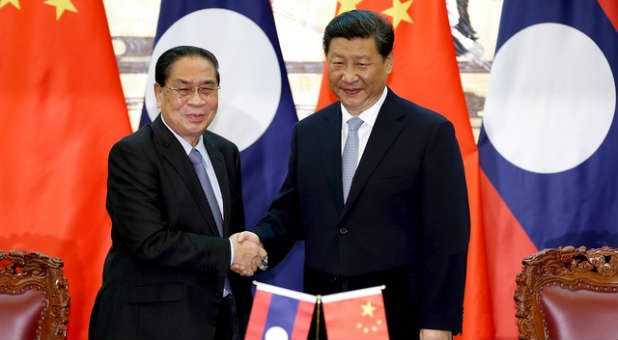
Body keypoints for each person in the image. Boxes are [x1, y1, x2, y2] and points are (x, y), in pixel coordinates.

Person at [233, 10, 469, 340]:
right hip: (321, 314)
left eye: (361, 64)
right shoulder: (309, 132)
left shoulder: (429, 133)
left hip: (397, 314)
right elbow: (291, 213)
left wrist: (437, 322)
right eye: (338, 62)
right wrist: (258, 241)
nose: (348, 76)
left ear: (388, 63)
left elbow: (448, 238)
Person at [89, 46, 266, 340]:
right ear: (159, 93)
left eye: (207, 89)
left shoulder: (225, 152)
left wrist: (249, 250)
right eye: (183, 90)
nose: (197, 101)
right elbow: (149, 241)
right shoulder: (133, 154)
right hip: (150, 323)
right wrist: (232, 251)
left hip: (219, 319)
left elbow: (228, 234)